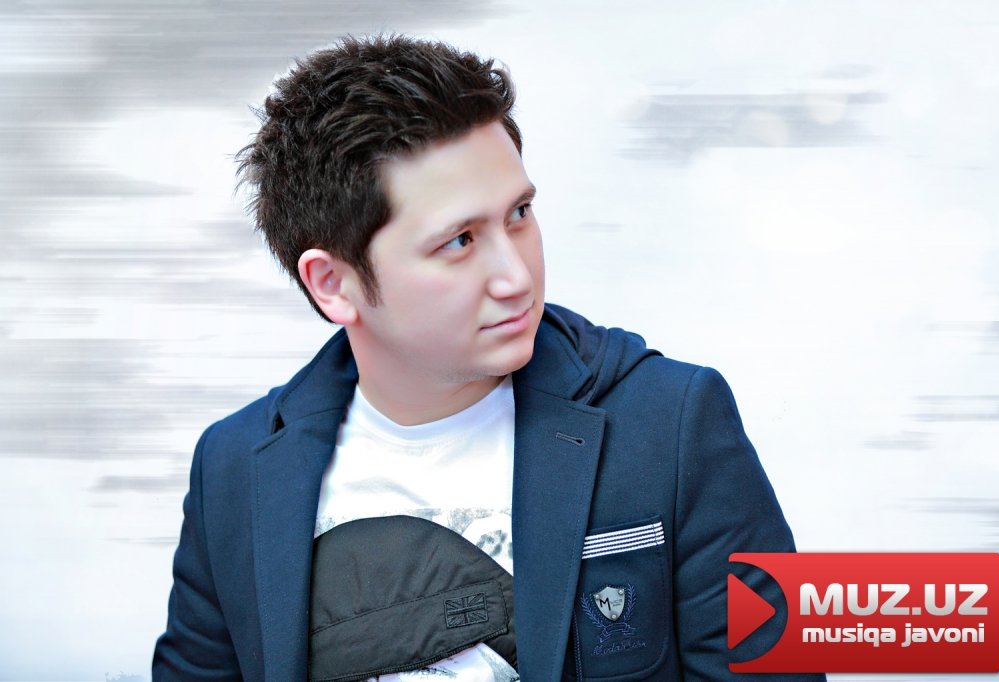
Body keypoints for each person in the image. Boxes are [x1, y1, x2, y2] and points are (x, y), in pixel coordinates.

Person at [153, 34, 823, 681]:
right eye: (460, 241)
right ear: (334, 284)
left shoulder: (672, 423)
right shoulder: (233, 469)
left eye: (519, 214)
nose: (516, 277)